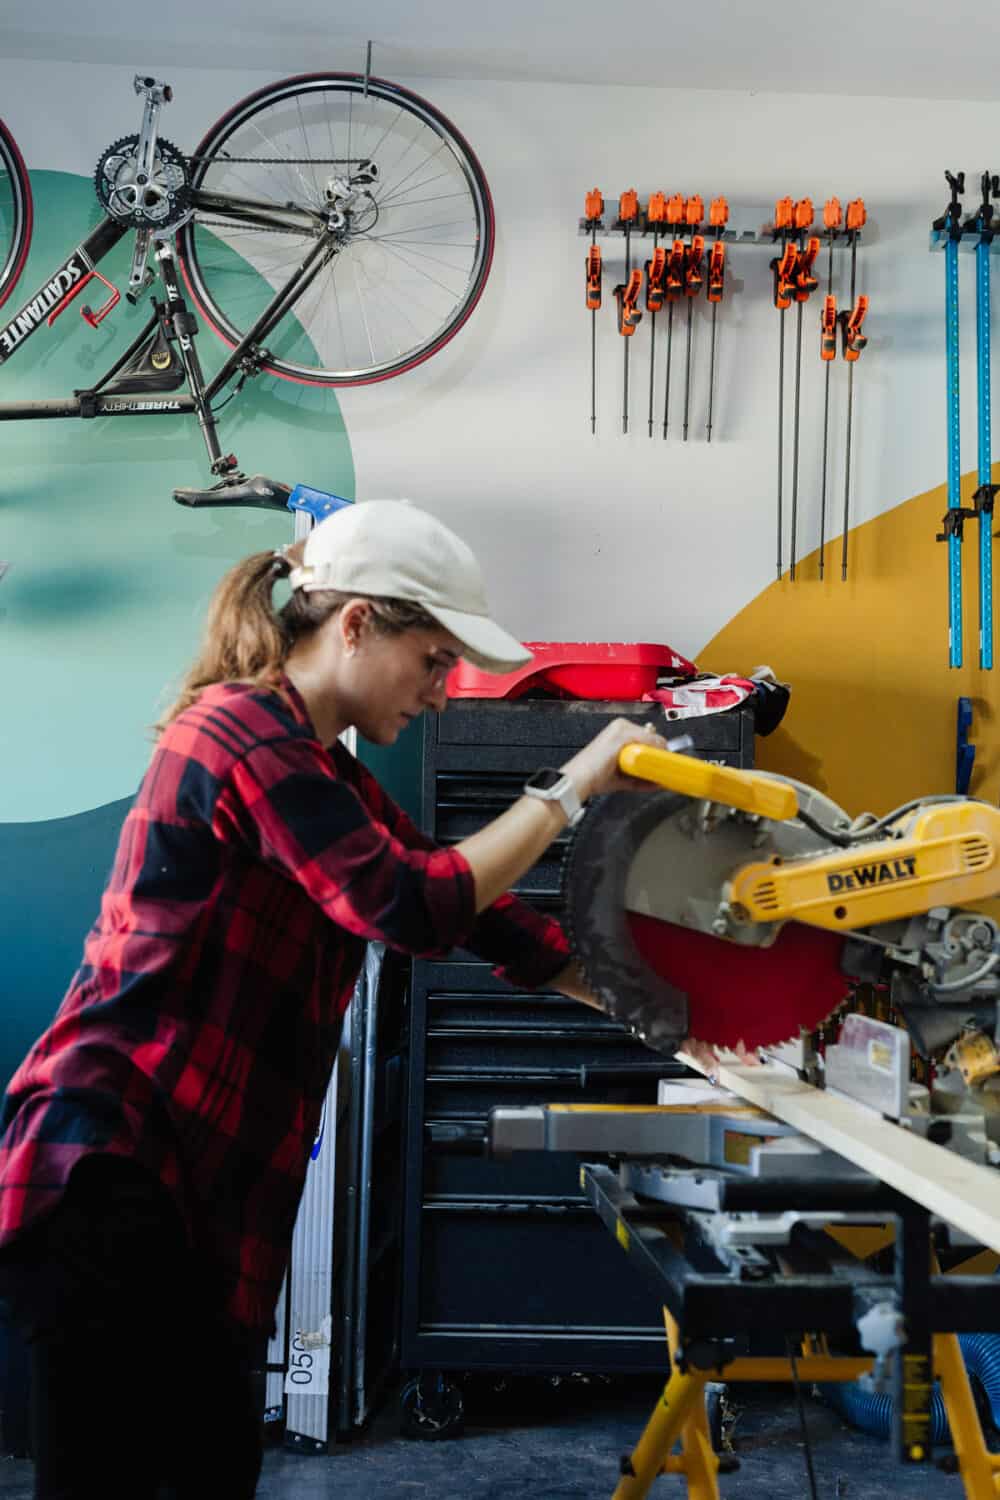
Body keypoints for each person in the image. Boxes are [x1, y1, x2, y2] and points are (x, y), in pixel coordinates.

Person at [0, 499, 673, 1499]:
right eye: (433, 659)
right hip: (117, 1168)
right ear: (355, 622)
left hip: (196, 1186)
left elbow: (472, 908)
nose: (442, 694)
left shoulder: (320, 767)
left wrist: (673, 1017)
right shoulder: (238, 733)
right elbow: (409, 902)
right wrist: (573, 783)